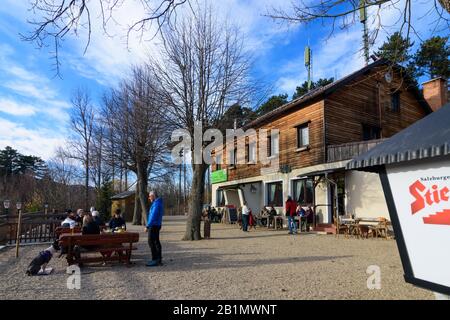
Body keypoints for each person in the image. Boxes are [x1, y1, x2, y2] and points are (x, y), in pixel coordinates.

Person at [146, 190, 164, 267]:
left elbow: (153, 216)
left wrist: (147, 226)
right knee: (156, 242)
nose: (149, 198)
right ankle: (158, 259)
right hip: (156, 225)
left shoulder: (156, 204)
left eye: (150, 196)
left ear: (153, 196)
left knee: (151, 241)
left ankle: (155, 259)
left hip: (154, 225)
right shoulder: (157, 203)